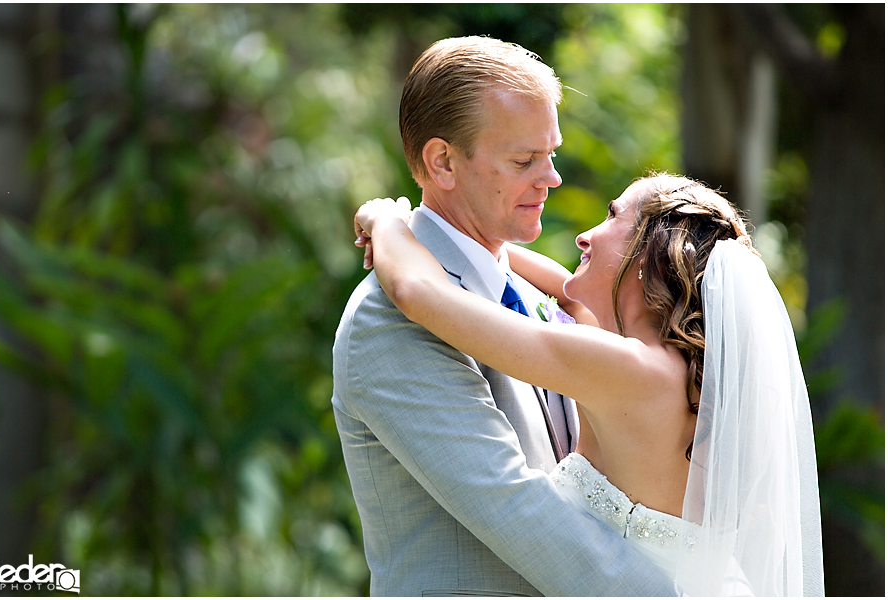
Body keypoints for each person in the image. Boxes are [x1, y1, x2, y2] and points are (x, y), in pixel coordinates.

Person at [353, 173, 825, 596]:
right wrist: (446, 231)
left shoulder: (626, 369)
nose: (584, 236)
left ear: (649, 250)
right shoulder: (672, 372)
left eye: (612, 215)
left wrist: (387, 221)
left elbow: (418, 293)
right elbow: (556, 286)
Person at [331, 36, 675, 596]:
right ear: (442, 161)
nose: (552, 178)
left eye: (552, 153)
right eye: (524, 160)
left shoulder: (539, 297)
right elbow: (516, 506)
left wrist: (391, 223)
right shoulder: (388, 321)